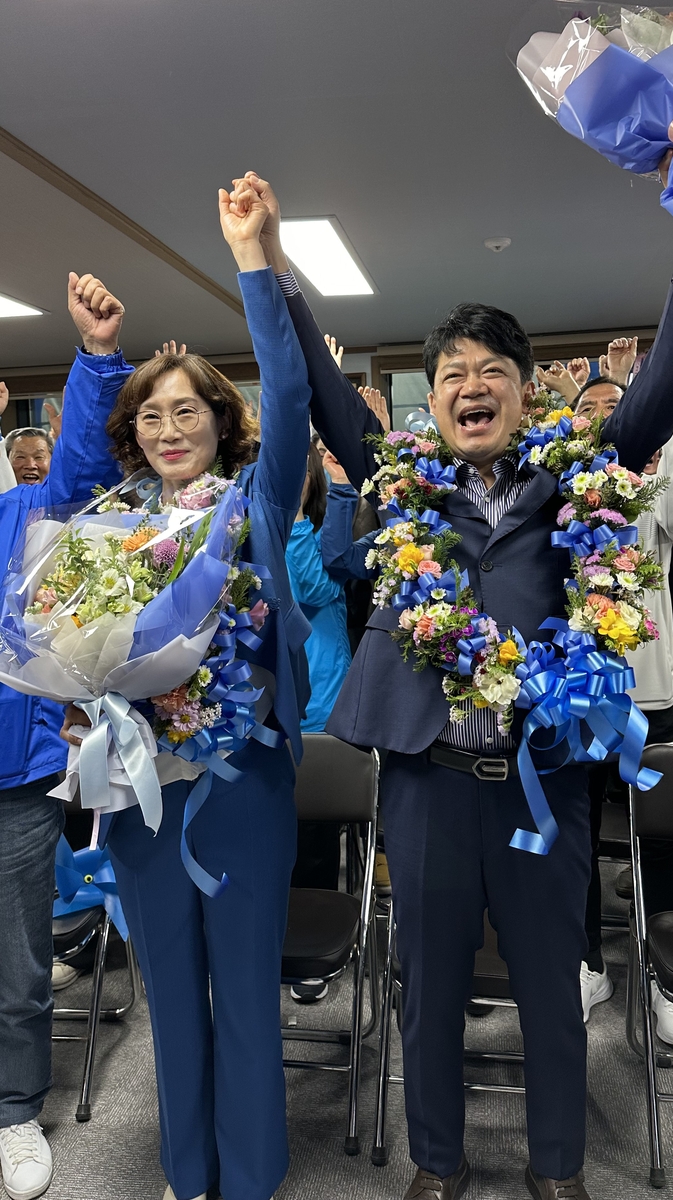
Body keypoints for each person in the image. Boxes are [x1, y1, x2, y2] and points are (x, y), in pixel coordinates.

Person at [235, 169, 673, 1200]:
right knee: (430, 983)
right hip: (425, 775)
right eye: (451, 368)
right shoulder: (399, 479)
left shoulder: (575, 477)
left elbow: (669, 372)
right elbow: (327, 401)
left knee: (551, 983)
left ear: (522, 388)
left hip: (545, 779)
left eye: (491, 367)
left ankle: (557, 1168)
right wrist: (267, 263)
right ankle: (438, 1161)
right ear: (433, 397)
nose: (470, 382)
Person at [61, 178, 312, 1200]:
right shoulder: (110, 528)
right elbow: (67, 639)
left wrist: (255, 260)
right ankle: (187, 1174)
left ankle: (246, 1180)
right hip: (140, 792)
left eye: (189, 412)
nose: (170, 430)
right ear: (135, 433)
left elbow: (292, 400)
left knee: (245, 991)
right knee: (169, 986)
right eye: (151, 416)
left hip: (243, 784)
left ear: (220, 421)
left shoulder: (251, 506)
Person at [0, 272, 129, 1200]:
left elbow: (82, 480)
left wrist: (92, 362)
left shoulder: (17, 514)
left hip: (11, 772)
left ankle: (11, 1114)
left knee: (15, 967)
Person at [574, 382, 673, 1046]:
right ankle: (586, 962)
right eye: (584, 410)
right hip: (579, 697)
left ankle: (664, 979)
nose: (597, 417)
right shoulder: (561, 497)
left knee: (656, 841)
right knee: (573, 839)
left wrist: (672, 407)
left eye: (610, 407)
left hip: (647, 700)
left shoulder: (644, 493)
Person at [287, 442, 351, 1002]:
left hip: (322, 696)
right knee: (301, 830)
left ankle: (312, 942)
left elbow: (329, 583)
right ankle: (300, 944)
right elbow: (319, 585)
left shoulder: (305, 527)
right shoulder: (294, 530)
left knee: (313, 829)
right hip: (303, 698)